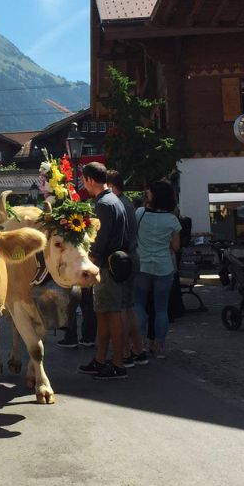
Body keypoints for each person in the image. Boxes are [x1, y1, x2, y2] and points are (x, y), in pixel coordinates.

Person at [78, 162, 130, 380]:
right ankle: (102, 359)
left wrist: (90, 261)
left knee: (111, 314)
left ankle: (117, 363)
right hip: (114, 264)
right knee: (106, 314)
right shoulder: (114, 200)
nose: (84, 185)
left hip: (106, 267)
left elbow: (101, 239)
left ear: (90, 180)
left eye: (84, 180)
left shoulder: (104, 204)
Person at [133, 180, 182, 360]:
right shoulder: (172, 219)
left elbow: (132, 235)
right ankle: (158, 345)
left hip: (143, 265)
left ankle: (142, 340)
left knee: (138, 304)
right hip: (164, 267)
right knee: (161, 308)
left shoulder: (140, 213)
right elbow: (176, 247)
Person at [106, 169, 144, 366]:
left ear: (111, 186)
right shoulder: (128, 203)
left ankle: (126, 354)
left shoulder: (117, 204)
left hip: (121, 261)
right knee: (129, 308)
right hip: (132, 257)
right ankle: (138, 350)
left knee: (120, 309)